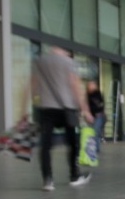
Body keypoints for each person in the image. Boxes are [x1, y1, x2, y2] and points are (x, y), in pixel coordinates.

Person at [31, 46, 94, 191]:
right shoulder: (68, 62)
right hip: (67, 109)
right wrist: (85, 109)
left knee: (46, 146)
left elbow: (31, 85)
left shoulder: (40, 61)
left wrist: (24, 109)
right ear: (65, 50)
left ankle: (47, 180)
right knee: (73, 143)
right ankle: (74, 176)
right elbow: (76, 86)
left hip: (46, 108)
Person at [86, 80, 105, 154]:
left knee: (95, 131)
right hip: (90, 116)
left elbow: (102, 103)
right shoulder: (87, 94)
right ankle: (92, 147)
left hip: (98, 115)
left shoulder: (98, 93)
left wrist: (100, 111)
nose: (89, 86)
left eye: (91, 85)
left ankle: (96, 148)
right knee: (91, 132)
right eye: (88, 85)